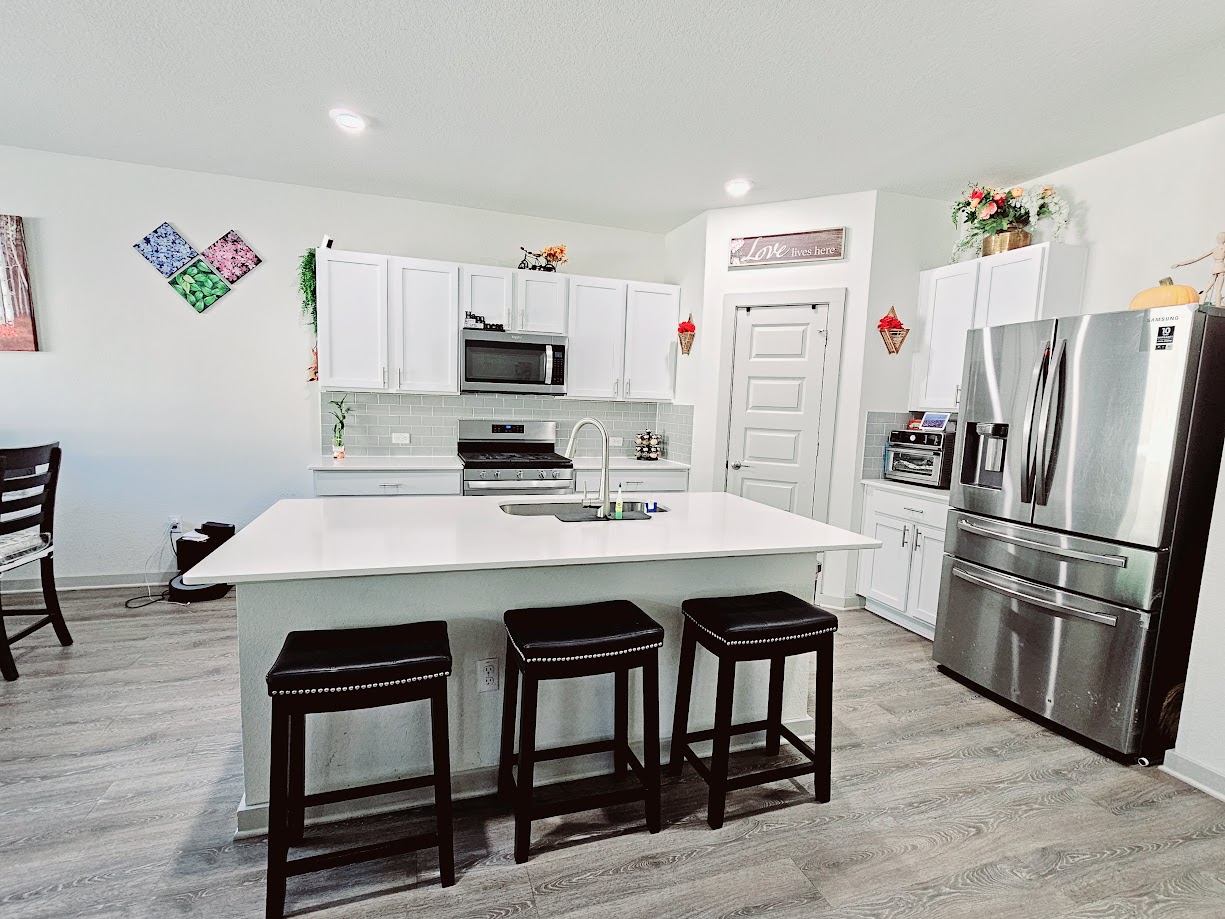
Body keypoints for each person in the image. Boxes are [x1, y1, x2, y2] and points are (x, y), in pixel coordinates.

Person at [1172, 231, 1225, 307]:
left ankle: (1202, 302)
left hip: (1215, 267)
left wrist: (1180, 264)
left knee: (1208, 287)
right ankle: (1218, 305)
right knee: (1218, 289)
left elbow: (1196, 259)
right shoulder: (1223, 249)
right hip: (1221, 267)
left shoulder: (1214, 249)